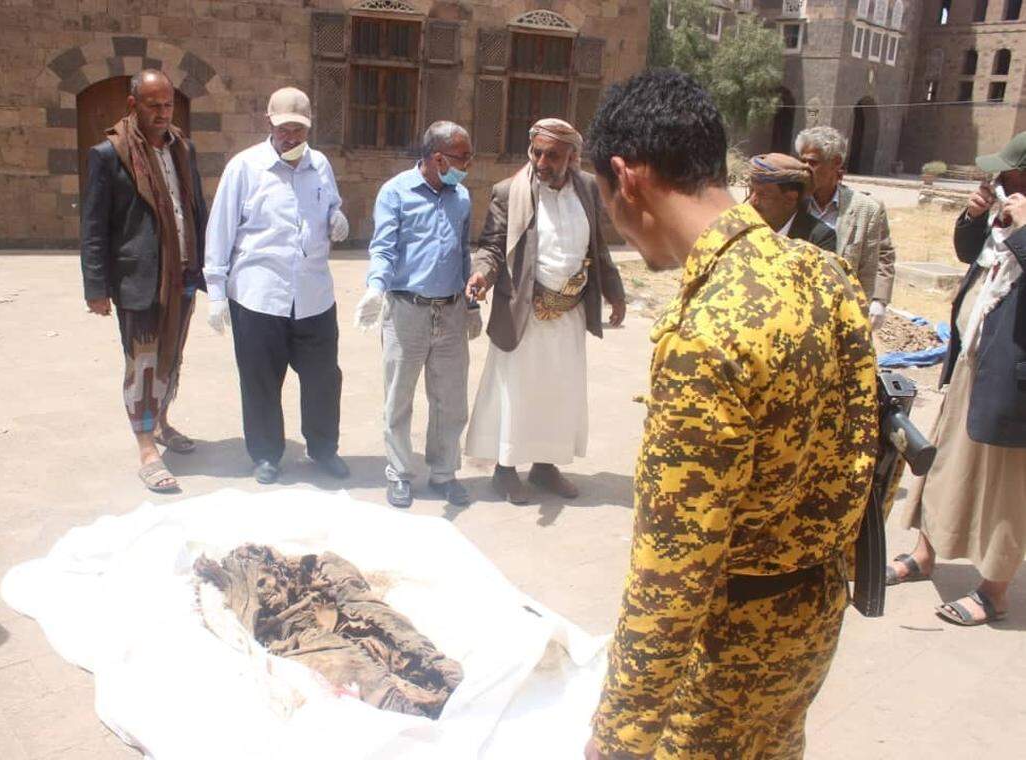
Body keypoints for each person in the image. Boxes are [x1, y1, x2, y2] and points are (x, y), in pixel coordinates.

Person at [583, 70, 877, 758]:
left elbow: (673, 572)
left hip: (722, 655)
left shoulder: (707, 333)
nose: (616, 225)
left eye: (605, 200)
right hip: (810, 625)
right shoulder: (820, 273)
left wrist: (618, 736)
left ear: (627, 179)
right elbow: (868, 447)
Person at [888, 134, 1026, 626]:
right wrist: (973, 218)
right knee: (943, 463)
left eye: (1007, 178)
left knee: (1004, 487)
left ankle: (995, 590)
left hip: (1013, 386)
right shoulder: (1004, 220)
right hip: (972, 363)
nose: (999, 185)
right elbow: (971, 256)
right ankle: (927, 555)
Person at [463, 118, 626, 504]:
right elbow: (492, 246)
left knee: (559, 391)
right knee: (517, 391)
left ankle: (545, 466)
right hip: (524, 311)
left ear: (572, 156)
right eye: (536, 152)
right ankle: (504, 471)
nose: (541, 161)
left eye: (552, 155)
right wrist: (482, 276)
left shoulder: (586, 187)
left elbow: (597, 247)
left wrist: (615, 292)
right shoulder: (509, 192)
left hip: (568, 312)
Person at [204, 86, 351, 485]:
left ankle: (323, 449)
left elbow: (331, 205)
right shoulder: (244, 168)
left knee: (323, 379)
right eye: (285, 129)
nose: (292, 138)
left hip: (313, 296)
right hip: (259, 295)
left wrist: (338, 218)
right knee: (260, 380)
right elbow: (220, 231)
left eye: (299, 131)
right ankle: (266, 454)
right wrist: (216, 292)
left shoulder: (319, 165)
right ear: (269, 123)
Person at [81, 69, 208, 494]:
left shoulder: (184, 150)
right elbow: (94, 226)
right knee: (143, 362)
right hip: (139, 279)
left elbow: (197, 210)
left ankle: (163, 420)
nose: (161, 112)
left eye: (167, 104)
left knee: (170, 356)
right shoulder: (108, 154)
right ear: (133, 105)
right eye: (153, 105)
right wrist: (95, 287)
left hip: (183, 275)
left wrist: (209, 268)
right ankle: (146, 446)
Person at [355, 121, 479, 509]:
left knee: (451, 399)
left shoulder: (461, 198)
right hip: (407, 311)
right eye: (462, 157)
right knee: (399, 398)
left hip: (450, 312)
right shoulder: (395, 193)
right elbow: (384, 248)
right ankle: (399, 473)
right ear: (438, 158)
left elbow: (462, 253)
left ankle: (444, 473)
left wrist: (470, 303)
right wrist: (376, 287)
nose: (467, 165)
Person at [795, 125, 895, 328]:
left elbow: (881, 255)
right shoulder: (792, 202)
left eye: (813, 162)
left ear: (836, 163)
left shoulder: (867, 209)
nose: (805, 168)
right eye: (802, 161)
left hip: (842, 314)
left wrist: (878, 300)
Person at [746, 152, 836, 252]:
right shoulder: (741, 227)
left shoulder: (819, 239)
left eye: (763, 194)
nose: (752, 201)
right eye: (751, 190)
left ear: (790, 198)